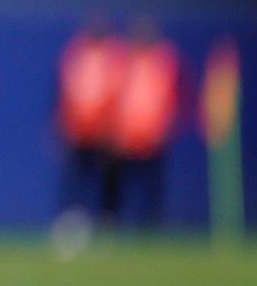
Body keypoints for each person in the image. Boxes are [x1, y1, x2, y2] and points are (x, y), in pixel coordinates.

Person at [111, 16, 182, 229]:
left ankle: (151, 226)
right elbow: (114, 97)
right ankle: (113, 224)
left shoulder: (163, 62)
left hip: (153, 135)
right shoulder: (123, 61)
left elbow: (171, 97)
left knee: (152, 184)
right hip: (125, 135)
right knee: (120, 183)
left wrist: (165, 126)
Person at [54, 15, 123, 233]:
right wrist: (60, 122)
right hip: (78, 128)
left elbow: (120, 94)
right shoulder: (76, 53)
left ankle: (106, 221)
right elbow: (64, 90)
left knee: (106, 178)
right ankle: (74, 221)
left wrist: (115, 125)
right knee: (75, 177)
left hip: (104, 129)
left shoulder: (114, 56)